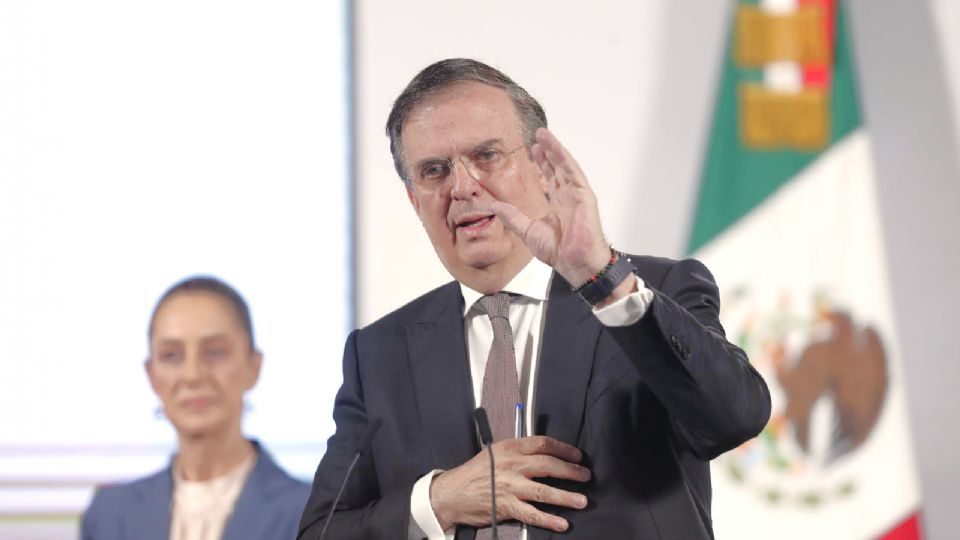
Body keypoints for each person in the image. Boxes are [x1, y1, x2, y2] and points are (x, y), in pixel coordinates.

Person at [298, 58, 771, 540]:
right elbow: (321, 531)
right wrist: (438, 500)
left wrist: (603, 278)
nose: (462, 187)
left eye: (486, 156)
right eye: (434, 171)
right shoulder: (379, 353)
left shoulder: (649, 291)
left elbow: (734, 419)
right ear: (414, 200)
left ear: (541, 168)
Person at [82, 276, 310, 540]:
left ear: (253, 366)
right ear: (151, 374)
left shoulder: (312, 514)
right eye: (171, 355)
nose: (192, 375)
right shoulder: (110, 515)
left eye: (215, 352)